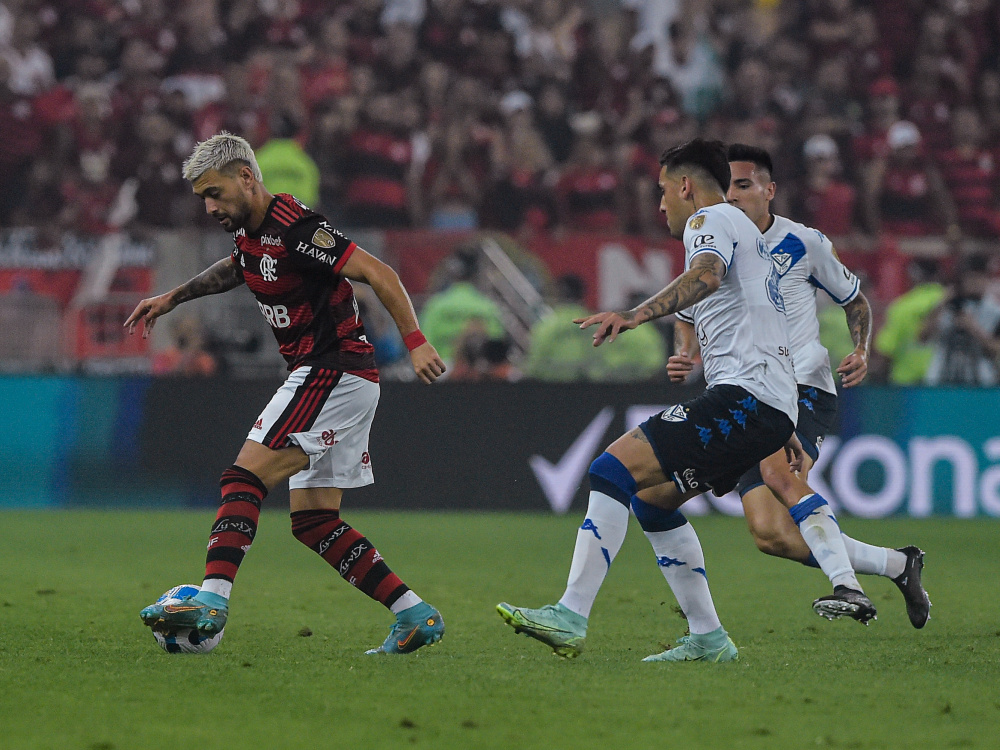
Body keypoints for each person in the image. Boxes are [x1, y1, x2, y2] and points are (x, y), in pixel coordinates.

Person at [128, 132, 447, 655]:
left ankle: (211, 600)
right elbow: (239, 267)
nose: (209, 206)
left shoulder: (296, 227)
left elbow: (378, 271)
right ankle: (413, 613)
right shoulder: (253, 234)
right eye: (202, 198)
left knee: (243, 478)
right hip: (337, 377)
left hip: (332, 371)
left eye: (215, 193)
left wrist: (415, 342)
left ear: (247, 178)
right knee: (314, 521)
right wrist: (174, 297)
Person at [498, 139, 802, 663]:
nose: (660, 205)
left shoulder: (711, 220)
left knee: (609, 469)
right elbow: (769, 327)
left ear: (685, 185)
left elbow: (705, 277)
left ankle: (570, 614)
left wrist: (636, 314)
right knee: (654, 501)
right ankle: (708, 638)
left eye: (663, 190)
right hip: (765, 404)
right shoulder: (752, 239)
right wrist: (780, 419)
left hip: (748, 399)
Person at [667, 144, 929, 628]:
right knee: (771, 535)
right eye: (728, 185)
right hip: (743, 391)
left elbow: (855, 300)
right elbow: (686, 313)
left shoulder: (804, 241)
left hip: (801, 382)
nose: (734, 194)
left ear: (770, 190)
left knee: (780, 476)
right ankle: (898, 564)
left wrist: (862, 348)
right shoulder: (713, 241)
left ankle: (848, 588)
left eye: (744, 184)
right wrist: (686, 352)